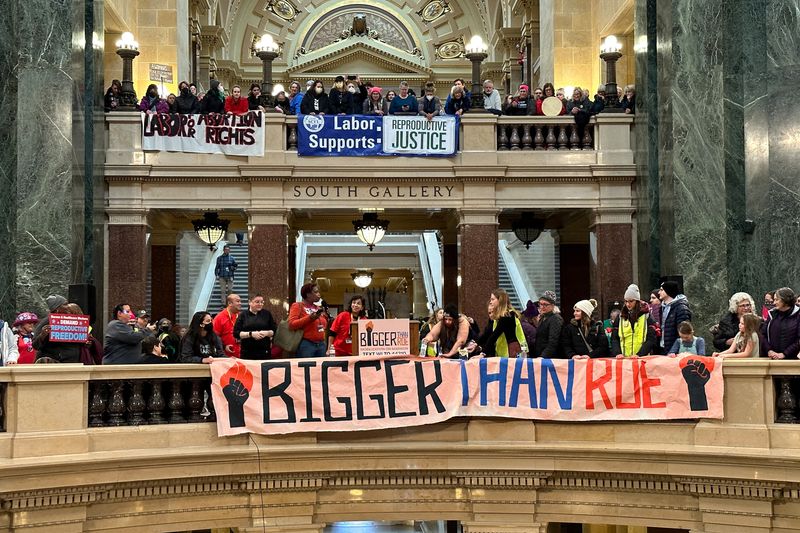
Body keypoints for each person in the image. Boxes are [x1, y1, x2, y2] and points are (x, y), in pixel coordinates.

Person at [475, 289, 527, 357]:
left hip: (512, 351)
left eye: (493, 299)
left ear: (500, 300)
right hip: (503, 351)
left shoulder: (507, 315)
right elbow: (487, 334)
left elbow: (494, 335)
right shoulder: (497, 316)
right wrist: (476, 344)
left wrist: (482, 354)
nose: (491, 302)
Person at [32, 294, 82, 363]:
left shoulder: (74, 321)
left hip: (72, 362)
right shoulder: (47, 321)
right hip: (53, 364)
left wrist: (87, 342)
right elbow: (35, 345)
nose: (68, 306)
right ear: (57, 309)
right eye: (65, 304)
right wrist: (42, 335)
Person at [611, 284, 657, 358]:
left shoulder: (647, 316)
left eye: (631, 301)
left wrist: (639, 354)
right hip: (624, 359)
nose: (628, 304)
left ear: (637, 301)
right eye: (626, 301)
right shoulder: (620, 317)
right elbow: (614, 339)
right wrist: (617, 353)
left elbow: (651, 339)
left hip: (642, 359)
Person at [288, 283, 329, 358]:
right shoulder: (298, 306)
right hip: (307, 344)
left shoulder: (318, 308)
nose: (319, 294)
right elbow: (291, 324)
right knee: (306, 368)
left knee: (319, 369)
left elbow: (323, 326)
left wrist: (326, 317)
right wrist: (309, 318)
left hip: (321, 344)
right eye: (316, 292)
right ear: (308, 294)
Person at [234, 294, 277, 360]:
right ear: (250, 302)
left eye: (262, 302)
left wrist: (266, 333)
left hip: (264, 351)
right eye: (257, 302)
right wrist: (251, 334)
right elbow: (236, 333)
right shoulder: (243, 315)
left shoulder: (267, 314)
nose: (260, 304)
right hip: (247, 352)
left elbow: (274, 330)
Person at [762, 287, 800, 360]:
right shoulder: (772, 314)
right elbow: (763, 334)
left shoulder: (798, 315)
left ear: (785, 300)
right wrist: (769, 350)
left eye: (776, 300)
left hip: (792, 360)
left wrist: (785, 354)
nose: (774, 303)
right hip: (772, 358)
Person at [658, 280, 692, 355]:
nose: (659, 292)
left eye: (661, 290)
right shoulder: (662, 308)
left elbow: (684, 330)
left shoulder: (681, 308)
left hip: (676, 351)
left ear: (668, 291)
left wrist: (675, 350)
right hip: (663, 347)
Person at [532, 291, 563, 358]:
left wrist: (543, 356)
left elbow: (553, 342)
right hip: (541, 356)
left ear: (552, 305)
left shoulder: (555, 319)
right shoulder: (543, 317)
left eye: (545, 304)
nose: (542, 307)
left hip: (550, 358)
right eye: (540, 304)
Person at [213, 294, 241, 358]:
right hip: (226, 357)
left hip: (242, 355)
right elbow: (214, 336)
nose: (240, 303)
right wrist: (224, 346)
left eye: (240, 301)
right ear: (230, 303)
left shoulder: (241, 316)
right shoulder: (219, 317)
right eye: (237, 301)